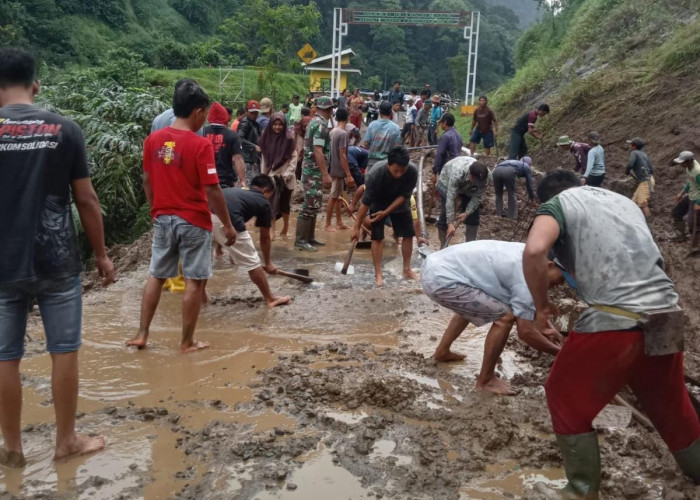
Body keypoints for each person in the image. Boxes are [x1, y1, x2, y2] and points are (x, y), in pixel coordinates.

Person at [523, 170, 700, 498]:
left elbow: (534, 251)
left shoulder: (557, 205)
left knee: (563, 394)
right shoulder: (624, 203)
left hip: (617, 319)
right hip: (666, 312)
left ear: (546, 198)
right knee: (669, 401)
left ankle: (579, 490)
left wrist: (541, 306)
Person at [0, 47, 115, 467]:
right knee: (63, 349)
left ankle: (12, 447)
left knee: (4, 355)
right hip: (57, 259)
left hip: (2, 264)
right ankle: (65, 441)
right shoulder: (64, 129)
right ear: (36, 85)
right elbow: (86, 199)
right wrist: (102, 255)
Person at [127, 80, 236, 353]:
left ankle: (142, 334)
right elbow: (212, 190)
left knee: (156, 275)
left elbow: (147, 180)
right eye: (205, 113)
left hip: (163, 217)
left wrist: (155, 209)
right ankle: (186, 341)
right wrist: (227, 224)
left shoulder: (152, 140)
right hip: (194, 219)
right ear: (198, 112)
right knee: (195, 281)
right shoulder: (199, 145)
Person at [422, 241, 568, 393]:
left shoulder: (531, 255)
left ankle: (442, 352)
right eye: (562, 277)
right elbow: (525, 332)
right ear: (550, 265)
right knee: (505, 318)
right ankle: (486, 380)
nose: (562, 284)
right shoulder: (527, 277)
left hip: (435, 267)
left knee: (472, 304)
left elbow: (527, 307)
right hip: (441, 280)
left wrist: (547, 326)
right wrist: (561, 354)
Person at [212, 176, 292, 308]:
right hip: (227, 222)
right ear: (266, 191)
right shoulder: (263, 202)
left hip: (204, 217)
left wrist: (234, 254)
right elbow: (265, 237)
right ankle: (270, 299)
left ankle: (202, 299)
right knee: (253, 262)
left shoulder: (237, 190)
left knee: (204, 263)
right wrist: (268, 263)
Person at [351, 147, 419, 287]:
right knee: (377, 237)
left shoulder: (412, 171)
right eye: (396, 170)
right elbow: (365, 203)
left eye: (402, 170)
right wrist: (356, 227)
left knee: (408, 234)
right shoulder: (376, 173)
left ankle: (407, 269)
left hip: (400, 201)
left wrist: (386, 212)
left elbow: (404, 196)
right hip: (379, 200)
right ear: (388, 165)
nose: (399, 174)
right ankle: (378, 274)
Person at [295, 96, 333, 251]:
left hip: (311, 169)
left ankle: (309, 238)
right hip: (314, 171)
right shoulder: (321, 125)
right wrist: (325, 174)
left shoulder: (314, 122)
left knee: (314, 204)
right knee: (309, 205)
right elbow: (318, 151)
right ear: (329, 110)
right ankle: (301, 240)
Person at [436, 156, 490, 247]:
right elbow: (450, 198)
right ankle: (443, 246)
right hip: (447, 180)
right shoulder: (457, 174)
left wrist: (466, 213)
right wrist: (450, 223)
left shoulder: (486, 176)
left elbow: (477, 197)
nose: (478, 184)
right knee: (446, 214)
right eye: (475, 181)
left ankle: (470, 247)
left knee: (473, 215)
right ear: (469, 174)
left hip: (469, 188)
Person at [259, 113, 298, 237]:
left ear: (284, 125)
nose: (277, 127)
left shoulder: (289, 139)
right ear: (271, 125)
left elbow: (294, 159)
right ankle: (272, 230)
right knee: (270, 204)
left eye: (280, 124)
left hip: (286, 177)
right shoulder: (266, 139)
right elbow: (264, 160)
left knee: (284, 204)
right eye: (275, 124)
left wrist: (286, 175)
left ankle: (286, 227)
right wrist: (263, 176)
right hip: (271, 176)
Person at [325, 108, 356, 232]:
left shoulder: (332, 131)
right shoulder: (342, 134)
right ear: (347, 118)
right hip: (338, 169)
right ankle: (327, 224)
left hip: (332, 167)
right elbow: (342, 155)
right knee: (333, 197)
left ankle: (339, 221)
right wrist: (348, 174)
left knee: (337, 196)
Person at [204, 102, 245, 189]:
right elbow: (238, 159)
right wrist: (243, 181)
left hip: (206, 181)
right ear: (225, 116)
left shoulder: (202, 132)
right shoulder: (232, 135)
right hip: (226, 181)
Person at [671, 151, 700, 255]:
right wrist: (681, 193)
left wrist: (698, 203)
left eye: (682, 162)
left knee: (693, 225)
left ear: (689, 161)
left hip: (697, 199)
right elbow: (689, 182)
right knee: (676, 213)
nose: (681, 165)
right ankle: (681, 236)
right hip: (690, 195)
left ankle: (695, 249)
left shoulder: (698, 171)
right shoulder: (688, 168)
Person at [363, 101, 402, 171]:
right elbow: (396, 147)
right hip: (387, 162)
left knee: (371, 181)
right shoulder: (396, 128)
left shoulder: (372, 125)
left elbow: (366, 144)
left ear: (380, 112)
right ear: (390, 112)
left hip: (373, 162)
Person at [625, 137, 655, 220]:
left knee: (643, 203)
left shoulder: (634, 153)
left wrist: (627, 170)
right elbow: (651, 169)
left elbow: (631, 164)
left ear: (634, 146)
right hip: (649, 179)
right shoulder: (644, 154)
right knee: (633, 202)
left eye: (631, 144)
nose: (630, 146)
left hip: (645, 181)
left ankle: (649, 222)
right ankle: (631, 219)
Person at [238, 100, 262, 185]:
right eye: (252, 113)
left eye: (256, 113)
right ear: (247, 111)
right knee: (247, 184)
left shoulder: (254, 123)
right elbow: (239, 138)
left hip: (253, 158)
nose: (254, 115)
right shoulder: (245, 123)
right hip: (246, 159)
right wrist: (253, 146)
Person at [295, 106, 312, 180]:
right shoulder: (313, 121)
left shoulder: (301, 122)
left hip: (302, 151)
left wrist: (298, 153)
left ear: (301, 114)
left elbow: (299, 138)